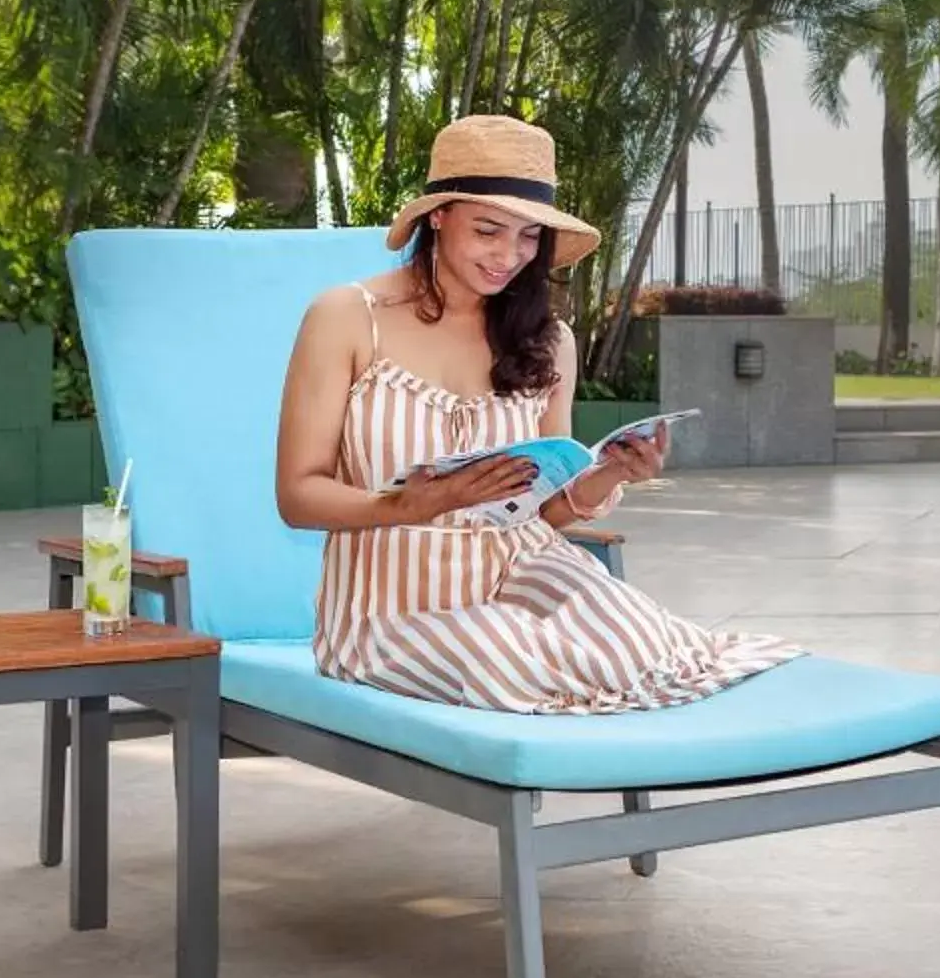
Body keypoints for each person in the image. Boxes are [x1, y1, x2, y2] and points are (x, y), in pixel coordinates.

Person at [275, 114, 798, 713]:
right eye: (489, 231)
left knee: (642, 641)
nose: (509, 256)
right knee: (511, 655)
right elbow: (297, 495)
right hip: (391, 612)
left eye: (528, 238)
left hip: (523, 569)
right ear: (438, 216)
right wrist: (403, 506)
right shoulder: (346, 317)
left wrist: (611, 472)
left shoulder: (548, 341)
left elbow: (546, 509)